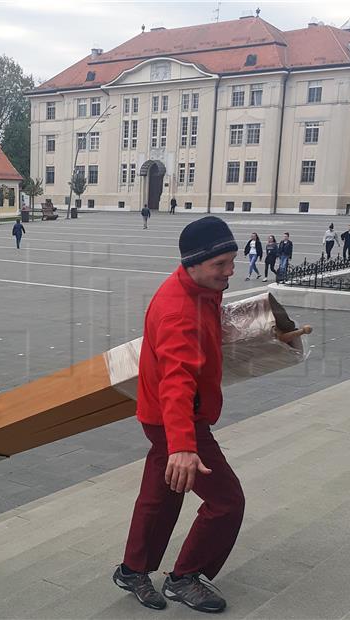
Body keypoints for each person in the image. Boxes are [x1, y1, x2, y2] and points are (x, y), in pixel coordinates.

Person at [113, 216, 243, 613]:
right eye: (220, 264)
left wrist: (271, 336)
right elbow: (176, 380)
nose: (230, 271)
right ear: (194, 263)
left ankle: (133, 569)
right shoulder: (177, 311)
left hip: (168, 417)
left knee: (161, 496)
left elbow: (213, 337)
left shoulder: (202, 288)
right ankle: (185, 577)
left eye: (232, 261)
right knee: (226, 502)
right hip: (179, 419)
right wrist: (183, 446)